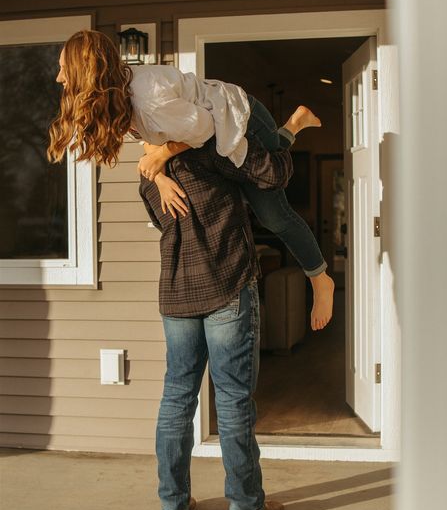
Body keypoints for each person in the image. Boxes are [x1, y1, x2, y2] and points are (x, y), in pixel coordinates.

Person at [48, 29, 334, 330]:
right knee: (252, 185)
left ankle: (320, 279)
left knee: (273, 214)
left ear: (86, 69)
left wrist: (160, 157)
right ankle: (293, 126)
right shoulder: (118, 92)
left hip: (240, 117)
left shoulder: (149, 98)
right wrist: (158, 176)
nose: (59, 78)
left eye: (64, 69)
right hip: (216, 124)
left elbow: (206, 129)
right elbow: (143, 133)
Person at [138, 129, 293, 510]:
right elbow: (272, 174)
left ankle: (173, 505)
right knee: (234, 401)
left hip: (177, 294)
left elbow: (161, 223)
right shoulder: (214, 151)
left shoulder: (150, 174)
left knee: (176, 398)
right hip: (226, 286)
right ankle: (245, 506)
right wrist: (287, 136)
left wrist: (159, 174)